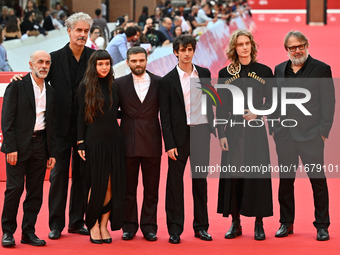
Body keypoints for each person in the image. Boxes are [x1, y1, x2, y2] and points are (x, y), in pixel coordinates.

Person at [270, 31, 335, 241]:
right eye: (292, 47)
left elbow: (329, 102)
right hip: (285, 136)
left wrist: (323, 133)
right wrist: (274, 127)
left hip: (311, 137)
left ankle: (322, 225)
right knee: (286, 181)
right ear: (286, 50)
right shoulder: (279, 69)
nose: (297, 50)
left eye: (301, 46)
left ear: (307, 45)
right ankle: (286, 223)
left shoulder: (321, 69)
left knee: (318, 181)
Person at [216, 30, 273, 241]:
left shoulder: (265, 71)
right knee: (235, 176)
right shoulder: (224, 73)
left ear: (252, 46)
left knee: (257, 175)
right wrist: (220, 133)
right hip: (233, 130)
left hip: (256, 131)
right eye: (240, 44)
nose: (244, 47)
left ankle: (259, 223)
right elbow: (220, 105)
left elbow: (273, 102)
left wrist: (258, 112)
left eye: (247, 43)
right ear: (234, 48)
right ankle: (235, 222)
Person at [159, 35, 216, 244]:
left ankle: (201, 227)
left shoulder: (204, 73)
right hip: (178, 138)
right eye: (182, 50)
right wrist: (170, 144)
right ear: (175, 52)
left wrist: (211, 128)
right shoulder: (166, 81)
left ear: (194, 51)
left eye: (190, 49)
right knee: (175, 185)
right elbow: (164, 116)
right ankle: (175, 229)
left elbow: (210, 101)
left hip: (201, 133)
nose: (186, 53)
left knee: (200, 183)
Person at [1, 50, 56, 247]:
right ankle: (7, 232)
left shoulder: (51, 91)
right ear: (30, 64)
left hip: (41, 145)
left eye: (47, 62)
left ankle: (28, 232)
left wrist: (52, 153)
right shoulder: (17, 86)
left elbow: (52, 125)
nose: (44, 65)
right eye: (40, 62)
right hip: (18, 146)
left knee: (35, 192)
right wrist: (10, 148)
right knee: (14, 189)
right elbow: (6, 119)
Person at [77, 49, 125, 244]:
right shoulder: (85, 86)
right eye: (100, 64)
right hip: (93, 141)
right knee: (97, 184)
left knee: (112, 186)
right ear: (94, 65)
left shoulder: (115, 86)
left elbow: (115, 112)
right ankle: (93, 224)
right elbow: (80, 116)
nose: (104, 67)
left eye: (107, 64)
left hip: (115, 140)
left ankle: (104, 224)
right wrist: (80, 141)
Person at [115, 47, 162, 242]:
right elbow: (111, 111)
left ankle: (149, 226)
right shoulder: (118, 84)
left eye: (141, 60)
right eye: (134, 61)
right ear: (127, 62)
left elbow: (167, 113)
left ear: (146, 60)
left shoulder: (160, 83)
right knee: (128, 188)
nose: (138, 64)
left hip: (152, 141)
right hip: (127, 142)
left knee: (151, 188)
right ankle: (129, 226)